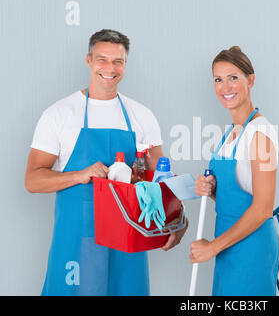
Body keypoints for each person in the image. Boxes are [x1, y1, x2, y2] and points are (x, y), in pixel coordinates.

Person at [25, 29, 188, 296]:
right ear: (88, 61)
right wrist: (80, 175)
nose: (109, 69)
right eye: (102, 59)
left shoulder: (141, 116)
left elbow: (161, 178)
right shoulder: (59, 114)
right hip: (77, 241)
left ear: (125, 65)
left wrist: (178, 220)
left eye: (118, 61)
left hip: (128, 240)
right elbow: (32, 179)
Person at [190, 46, 279, 296]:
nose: (225, 87)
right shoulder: (231, 134)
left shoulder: (260, 133)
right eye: (218, 79)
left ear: (250, 80)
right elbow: (238, 195)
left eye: (233, 77)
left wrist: (212, 248)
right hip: (230, 245)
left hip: (251, 247)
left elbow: (263, 207)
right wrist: (212, 191)